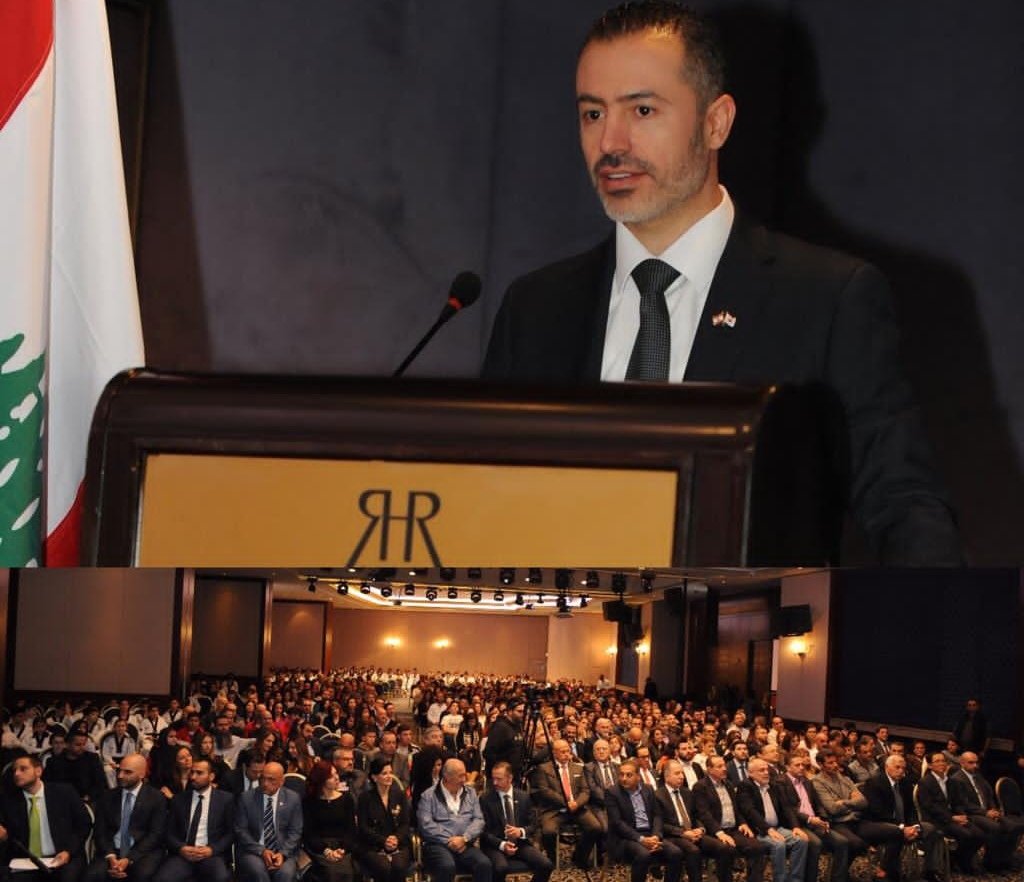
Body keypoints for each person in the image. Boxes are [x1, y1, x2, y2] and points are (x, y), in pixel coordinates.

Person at [481, 0, 959, 566]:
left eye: (642, 110)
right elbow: (483, 502)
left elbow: (904, 506)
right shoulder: (536, 309)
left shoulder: (825, 299)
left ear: (716, 123)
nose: (610, 142)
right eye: (592, 114)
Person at [0, 754, 92, 881]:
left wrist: (68, 851)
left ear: (38, 771)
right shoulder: (9, 800)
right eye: (14, 770)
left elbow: (84, 824)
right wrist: (4, 836)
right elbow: (9, 836)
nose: (16, 774)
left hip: (63, 857)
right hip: (25, 860)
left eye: (23, 769)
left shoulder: (64, 792)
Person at [84, 753, 168, 882]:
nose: (120, 776)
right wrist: (111, 856)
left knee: (142, 875)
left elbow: (155, 834)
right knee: (92, 876)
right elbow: (100, 831)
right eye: (119, 770)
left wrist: (129, 859)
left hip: (143, 851)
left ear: (142, 774)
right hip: (111, 850)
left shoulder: (156, 798)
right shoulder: (107, 796)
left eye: (127, 772)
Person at [154, 757, 235, 882]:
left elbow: (231, 833)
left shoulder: (226, 800)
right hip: (183, 855)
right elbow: (168, 832)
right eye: (192, 772)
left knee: (221, 878)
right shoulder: (179, 799)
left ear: (211, 776)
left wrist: (212, 850)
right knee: (162, 879)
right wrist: (181, 848)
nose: (193, 777)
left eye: (199, 773)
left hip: (211, 855)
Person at [605, 759, 683, 882]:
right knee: (644, 854)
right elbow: (618, 824)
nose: (624, 778)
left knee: (676, 852)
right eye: (621, 774)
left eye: (629, 775)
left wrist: (656, 836)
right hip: (626, 838)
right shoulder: (612, 793)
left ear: (638, 776)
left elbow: (657, 815)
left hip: (650, 835)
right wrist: (641, 839)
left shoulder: (648, 789)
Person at [528, 738, 602, 867]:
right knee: (548, 831)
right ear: (554, 753)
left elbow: (585, 791)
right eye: (563, 752)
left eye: (568, 751)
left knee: (595, 827)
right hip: (554, 809)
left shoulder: (578, 768)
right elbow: (545, 791)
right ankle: (551, 859)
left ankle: (579, 856)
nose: (567, 754)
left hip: (577, 808)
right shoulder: (544, 769)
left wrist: (577, 803)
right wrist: (566, 803)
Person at [417, 759, 492, 882]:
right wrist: (450, 840)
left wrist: (464, 838)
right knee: (447, 866)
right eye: (460, 776)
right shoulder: (428, 796)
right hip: (438, 845)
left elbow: (479, 820)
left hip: (465, 843)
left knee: (484, 864)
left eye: (464, 774)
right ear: (447, 777)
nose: (464, 779)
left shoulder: (470, 793)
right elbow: (426, 825)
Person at [480, 761, 552, 882]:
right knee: (501, 868)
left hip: (520, 844)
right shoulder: (486, 799)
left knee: (546, 865)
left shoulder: (524, 797)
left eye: (499, 779)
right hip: (495, 845)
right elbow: (484, 831)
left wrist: (521, 832)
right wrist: (502, 845)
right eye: (493, 779)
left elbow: (534, 824)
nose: (495, 783)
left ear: (510, 778)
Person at [234, 761, 303, 882]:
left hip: (284, 851)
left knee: (286, 874)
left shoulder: (293, 798)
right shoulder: (246, 798)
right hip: (254, 851)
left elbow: (295, 831)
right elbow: (241, 830)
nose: (265, 783)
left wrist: (283, 853)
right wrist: (262, 851)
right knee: (258, 872)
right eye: (263, 778)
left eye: (271, 780)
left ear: (281, 781)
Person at [356, 757, 413, 882]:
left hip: (398, 843)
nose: (389, 776)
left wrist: (396, 838)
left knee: (399, 866)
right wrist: (383, 841)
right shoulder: (365, 798)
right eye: (384, 773)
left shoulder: (399, 795)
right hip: (373, 845)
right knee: (383, 867)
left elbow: (405, 823)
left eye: (390, 772)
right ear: (374, 777)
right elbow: (363, 827)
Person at [301, 760, 358, 882]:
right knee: (330, 873)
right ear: (321, 780)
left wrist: (342, 849)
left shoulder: (346, 799)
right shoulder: (309, 802)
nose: (337, 778)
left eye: (336, 773)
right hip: (319, 847)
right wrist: (326, 851)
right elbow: (309, 833)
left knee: (347, 871)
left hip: (342, 846)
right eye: (331, 776)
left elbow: (351, 829)